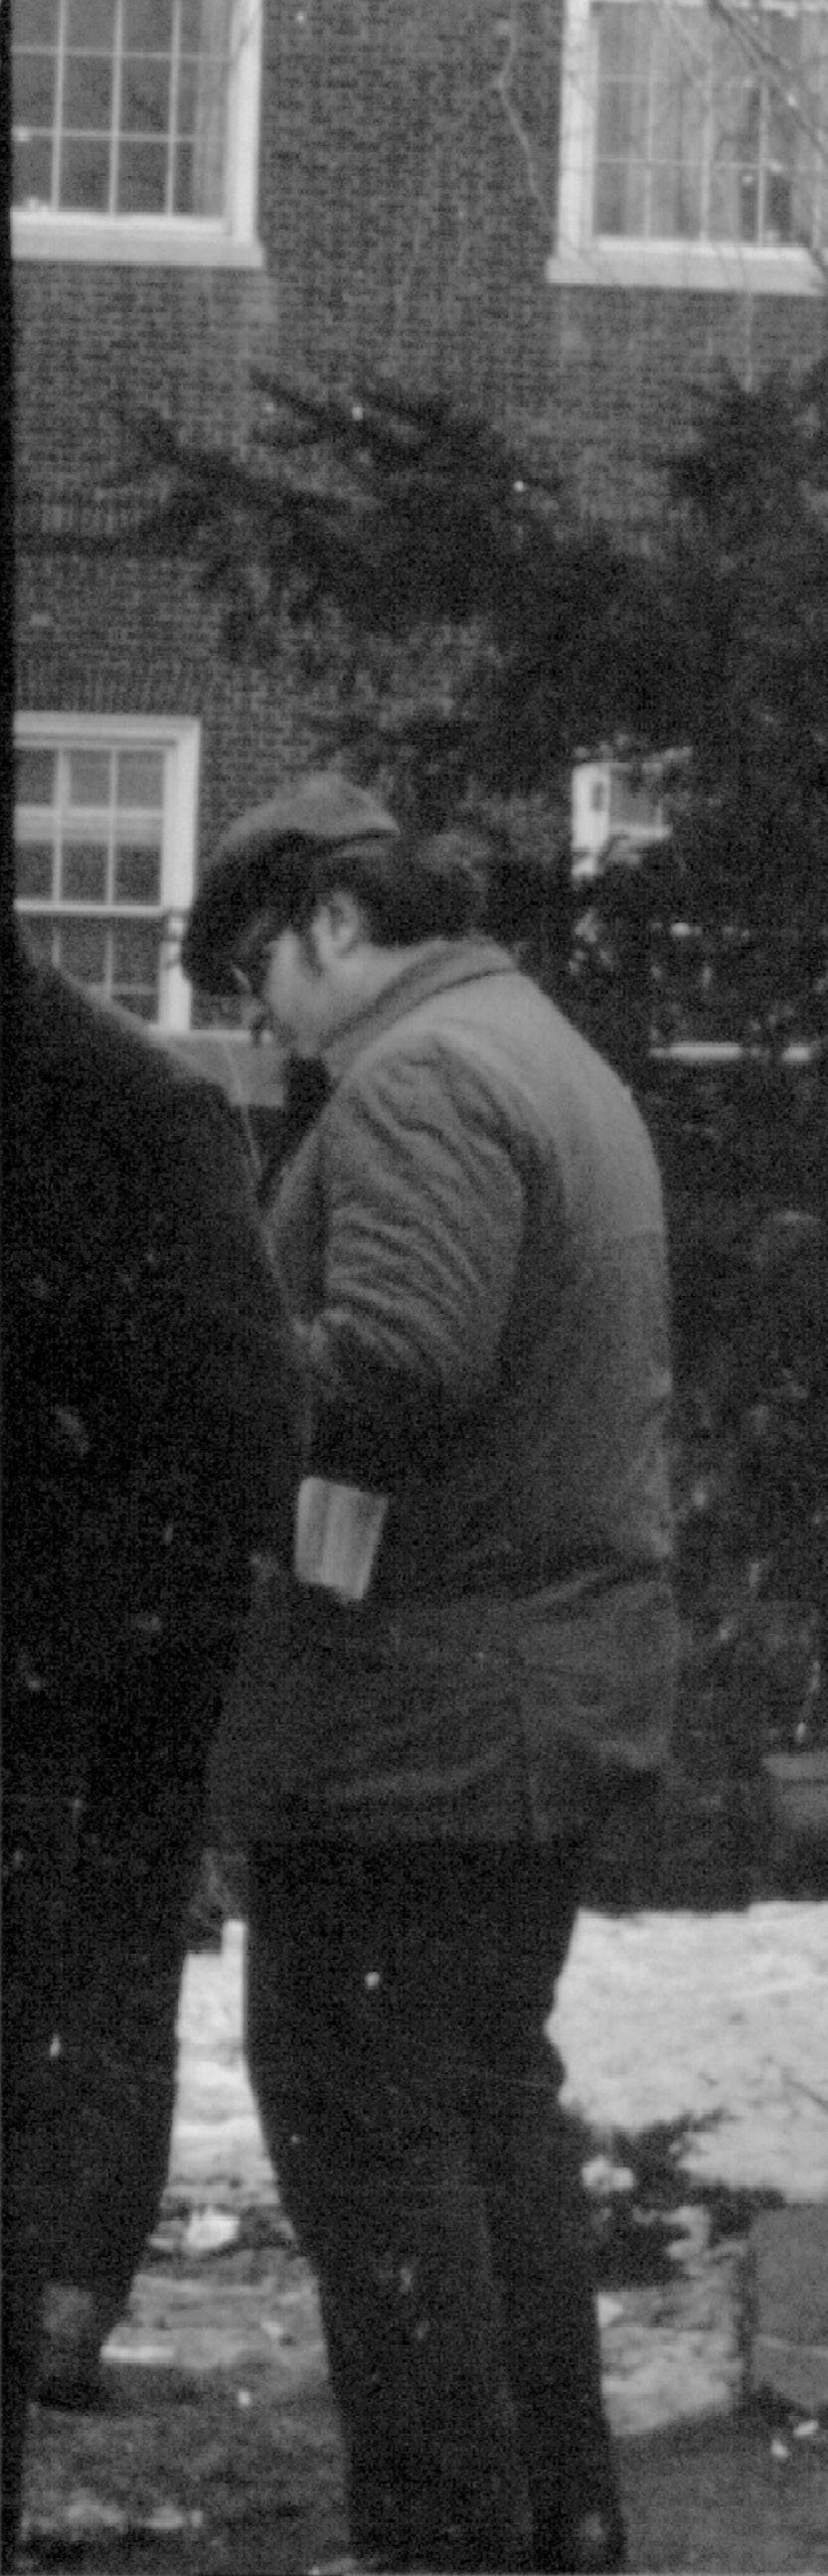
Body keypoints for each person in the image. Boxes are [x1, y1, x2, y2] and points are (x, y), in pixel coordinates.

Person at [185, 782, 678, 2573]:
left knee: (369, 2123)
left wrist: (193, 1360)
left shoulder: (417, 1079)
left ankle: (443, 2537)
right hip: (526, 1697)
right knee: (482, 2108)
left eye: (261, 979)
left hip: (420, 1717)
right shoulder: (541, 1048)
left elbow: (397, 1369)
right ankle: (556, 2520)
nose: (268, 1028)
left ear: (332, 921)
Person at [5, 953, 299, 2553]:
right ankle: (67, 2294)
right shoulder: (147, 1103)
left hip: (99, 1655)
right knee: (105, 1971)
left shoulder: (140, 1102)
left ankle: (66, 2295)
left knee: (94, 1968)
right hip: (113, 1643)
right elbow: (251, 1417)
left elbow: (244, 1423)